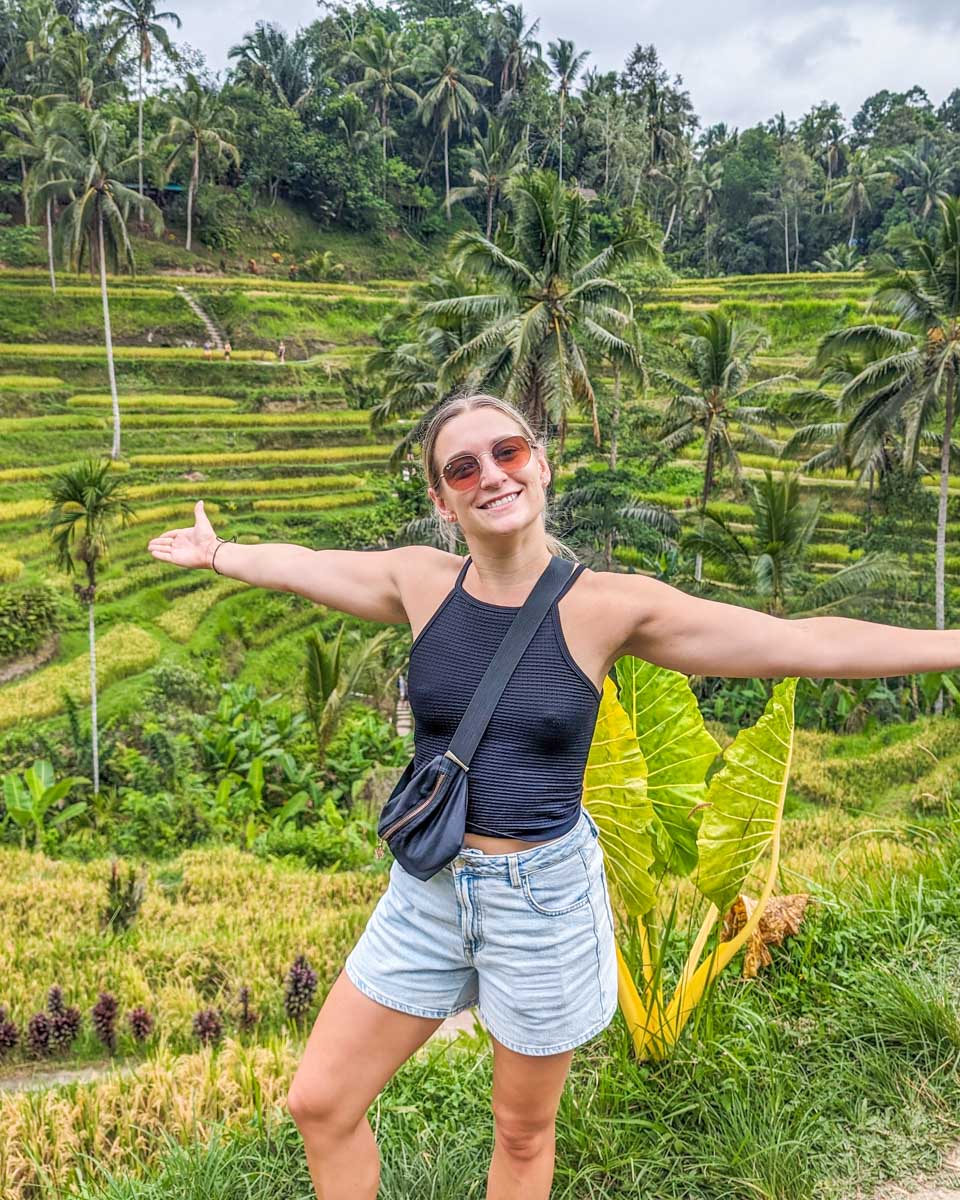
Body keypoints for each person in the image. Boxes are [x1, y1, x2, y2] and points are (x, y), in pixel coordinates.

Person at [145, 391, 960, 1200]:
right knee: (319, 1103)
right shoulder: (420, 581)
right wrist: (222, 554)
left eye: (507, 453)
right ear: (441, 498)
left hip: (542, 901)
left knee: (522, 1133)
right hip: (428, 889)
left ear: (540, 463)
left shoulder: (606, 606)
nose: (490, 476)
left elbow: (799, 643)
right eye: (462, 467)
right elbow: (308, 566)